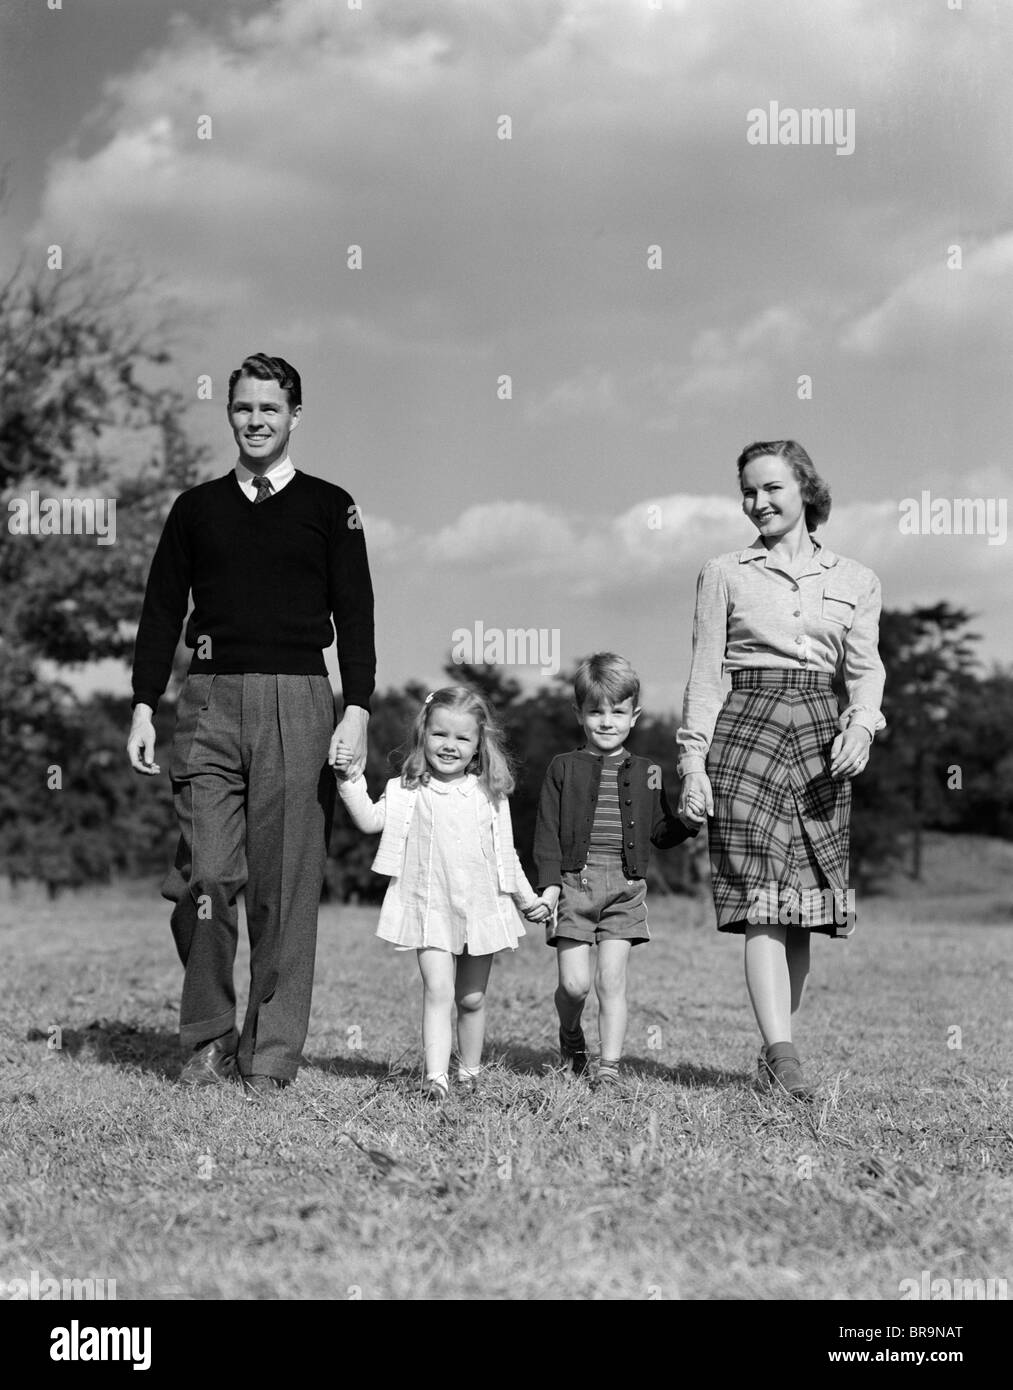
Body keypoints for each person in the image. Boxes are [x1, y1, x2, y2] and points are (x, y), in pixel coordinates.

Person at [126, 353, 375, 1100]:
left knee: (284, 887)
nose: (255, 420)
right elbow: (161, 609)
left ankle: (268, 1055)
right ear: (228, 413)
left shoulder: (331, 507)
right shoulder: (195, 508)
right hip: (206, 699)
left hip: (299, 700)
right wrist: (143, 701)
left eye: (269, 408)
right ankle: (207, 1035)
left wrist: (356, 707)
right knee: (206, 874)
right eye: (243, 408)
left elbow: (356, 613)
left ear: (294, 414)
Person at [676, 440, 885, 1100]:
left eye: (769, 488)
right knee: (761, 898)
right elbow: (706, 675)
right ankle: (784, 1053)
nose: (756, 502)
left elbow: (865, 670)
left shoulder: (857, 579)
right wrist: (691, 763)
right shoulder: (723, 572)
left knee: (802, 905)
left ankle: (775, 1057)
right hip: (746, 732)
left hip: (823, 737)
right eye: (746, 491)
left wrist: (860, 723)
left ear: (804, 491)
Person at [334, 686, 548, 1102]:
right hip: (428, 907)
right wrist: (349, 779)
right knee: (439, 991)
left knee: (471, 998)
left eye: (462, 738)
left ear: (478, 744)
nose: (450, 746)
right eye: (440, 735)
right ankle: (435, 1079)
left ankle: (469, 1072)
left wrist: (528, 899)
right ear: (423, 734)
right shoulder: (407, 788)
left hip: (480, 908)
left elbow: (507, 855)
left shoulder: (489, 793)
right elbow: (369, 820)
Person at [532, 653, 698, 1090]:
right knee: (574, 985)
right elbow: (547, 832)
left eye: (618, 712)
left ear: (634, 715)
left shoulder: (649, 773)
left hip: (625, 889)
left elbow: (661, 832)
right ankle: (571, 1035)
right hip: (573, 886)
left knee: (612, 980)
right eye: (596, 711)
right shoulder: (562, 768)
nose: (607, 721)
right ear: (579, 714)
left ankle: (608, 1069)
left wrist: (689, 821)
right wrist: (548, 888)